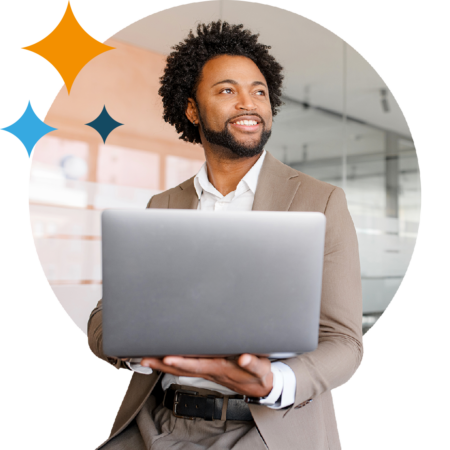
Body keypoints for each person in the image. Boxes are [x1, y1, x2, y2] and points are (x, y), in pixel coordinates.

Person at [87, 21, 363, 450]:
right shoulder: (163, 206)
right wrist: (140, 349)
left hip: (265, 428)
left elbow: (345, 342)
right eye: (227, 90)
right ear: (193, 110)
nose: (249, 103)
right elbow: (104, 322)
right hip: (157, 421)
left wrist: (275, 380)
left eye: (259, 91)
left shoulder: (320, 200)